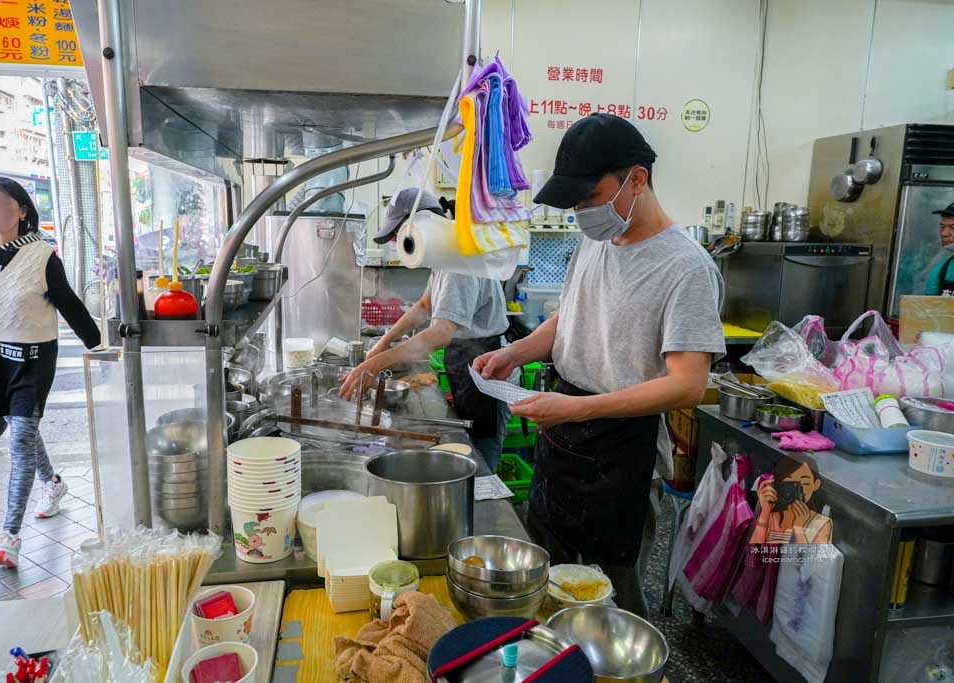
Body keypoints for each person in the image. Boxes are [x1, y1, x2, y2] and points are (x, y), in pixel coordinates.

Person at [473, 114, 725, 616]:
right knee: (547, 573)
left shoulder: (686, 268)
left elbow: (688, 385)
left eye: (590, 198)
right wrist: (513, 352)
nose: (583, 213)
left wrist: (579, 410)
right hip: (563, 436)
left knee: (612, 595)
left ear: (637, 178)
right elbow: (570, 318)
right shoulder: (593, 243)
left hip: (622, 449)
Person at [0, 177, 101, 568]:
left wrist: (101, 347)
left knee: (20, 439)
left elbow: (70, 305)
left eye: (2, 203)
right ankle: (54, 484)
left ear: (21, 210)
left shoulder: (42, 255)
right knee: (22, 433)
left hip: (32, 360)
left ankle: (9, 538)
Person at [339, 188, 509, 470]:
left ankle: (486, 504)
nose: (396, 243)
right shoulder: (444, 257)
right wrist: (384, 341)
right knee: (468, 441)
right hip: (467, 361)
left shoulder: (459, 262)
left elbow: (440, 333)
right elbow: (425, 305)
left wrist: (376, 364)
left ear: (418, 226)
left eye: (397, 236)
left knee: (478, 458)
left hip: (485, 369)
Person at [752, 457, 832, 545]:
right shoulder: (772, 511)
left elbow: (805, 558)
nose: (798, 489)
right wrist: (764, 512)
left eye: (805, 483)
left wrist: (799, 529)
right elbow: (756, 548)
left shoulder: (822, 525)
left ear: (816, 485)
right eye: (790, 483)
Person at [923, 202, 954, 296]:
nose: (944, 233)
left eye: (953, 227)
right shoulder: (941, 270)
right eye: (942, 227)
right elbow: (928, 307)